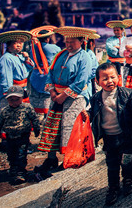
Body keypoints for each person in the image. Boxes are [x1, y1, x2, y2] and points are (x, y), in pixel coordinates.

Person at [36, 27, 93, 179]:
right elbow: (50, 72)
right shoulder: (61, 54)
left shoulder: (84, 57)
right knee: (52, 124)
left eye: (72, 42)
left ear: (81, 41)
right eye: (67, 42)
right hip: (57, 95)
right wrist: (53, 92)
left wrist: (63, 95)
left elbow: (81, 81)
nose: (68, 45)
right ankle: (51, 158)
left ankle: (70, 160)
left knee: (70, 127)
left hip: (75, 96)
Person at [84, 62, 132, 205]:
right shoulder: (96, 98)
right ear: (97, 82)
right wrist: (86, 115)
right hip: (109, 137)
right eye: (104, 79)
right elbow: (92, 113)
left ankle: (128, 179)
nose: (109, 81)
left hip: (126, 135)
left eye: (112, 77)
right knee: (112, 163)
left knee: (127, 160)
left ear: (118, 77)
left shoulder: (126, 94)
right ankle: (113, 187)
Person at [0, 86, 40, 184]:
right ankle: (13, 169)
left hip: (23, 136)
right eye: (11, 100)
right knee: (11, 154)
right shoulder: (5, 111)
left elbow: (34, 118)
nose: (14, 102)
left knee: (21, 154)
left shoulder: (27, 108)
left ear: (22, 98)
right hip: (9, 137)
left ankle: (20, 172)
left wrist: (37, 130)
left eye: (17, 99)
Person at [29, 27, 61, 115]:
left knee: (35, 99)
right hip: (48, 76)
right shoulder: (55, 48)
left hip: (35, 76)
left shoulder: (32, 48)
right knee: (48, 100)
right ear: (48, 38)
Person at [0, 31, 34, 109]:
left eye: (21, 42)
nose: (19, 45)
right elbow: (6, 78)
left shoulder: (19, 56)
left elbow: (30, 68)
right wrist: (11, 96)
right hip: (12, 95)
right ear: (8, 45)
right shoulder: (6, 58)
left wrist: (27, 58)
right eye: (15, 43)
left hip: (21, 91)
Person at [105, 20, 127, 86]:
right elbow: (110, 49)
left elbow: (128, 51)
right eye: (114, 30)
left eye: (117, 30)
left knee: (123, 81)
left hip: (124, 64)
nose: (116, 32)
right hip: (112, 63)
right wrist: (121, 49)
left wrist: (118, 47)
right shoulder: (109, 40)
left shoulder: (127, 39)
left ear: (122, 30)